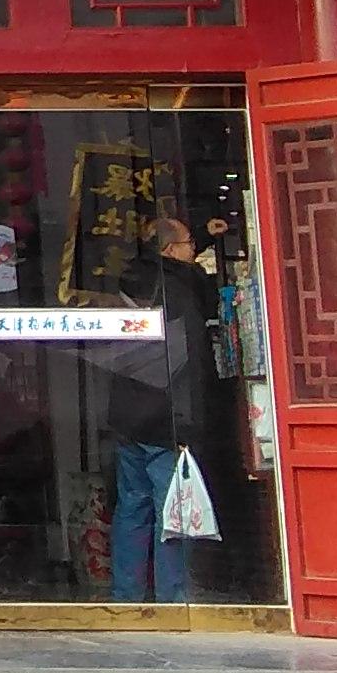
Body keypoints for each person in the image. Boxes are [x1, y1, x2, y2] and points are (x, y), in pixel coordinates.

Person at [101, 215, 222, 606]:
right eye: (189, 245)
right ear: (170, 251)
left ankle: (126, 596)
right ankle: (173, 599)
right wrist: (188, 421)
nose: (194, 252)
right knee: (173, 511)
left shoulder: (131, 281)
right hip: (166, 417)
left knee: (132, 507)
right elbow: (187, 362)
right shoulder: (180, 291)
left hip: (128, 415)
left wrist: (203, 234)